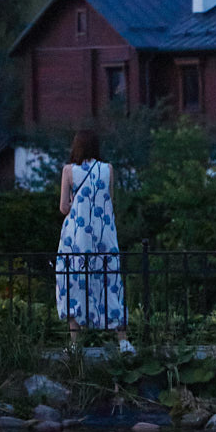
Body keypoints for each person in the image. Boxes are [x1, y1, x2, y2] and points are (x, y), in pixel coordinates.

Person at [55, 129, 132, 353]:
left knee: (74, 281)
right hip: (104, 234)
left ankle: (75, 343)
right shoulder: (108, 169)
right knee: (110, 281)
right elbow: (109, 200)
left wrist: (73, 202)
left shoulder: (69, 171)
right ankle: (123, 340)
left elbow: (63, 208)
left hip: (77, 236)